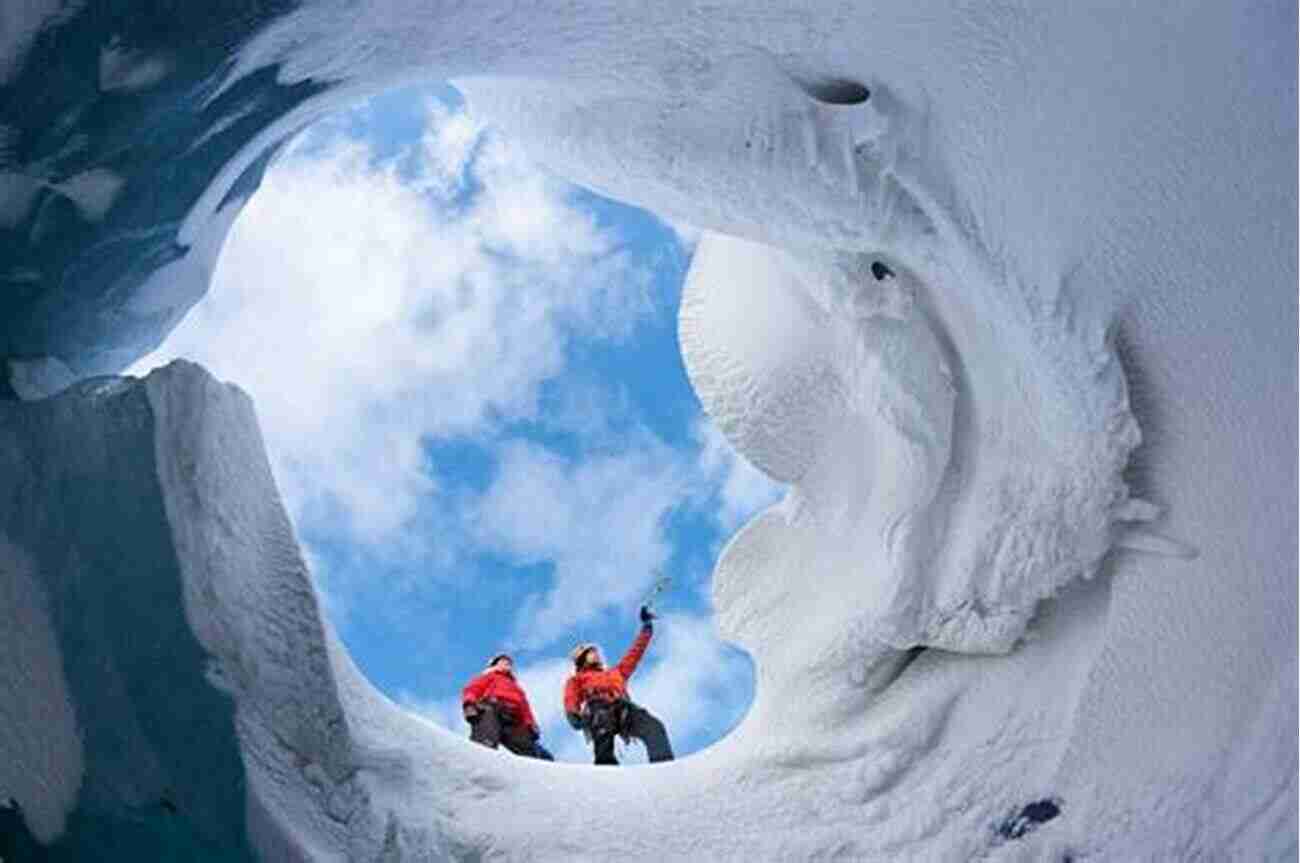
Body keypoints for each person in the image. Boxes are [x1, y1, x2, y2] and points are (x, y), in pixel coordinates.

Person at [563, 606, 674, 765]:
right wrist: (572, 712)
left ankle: (663, 766)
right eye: (591, 653)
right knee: (602, 721)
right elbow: (570, 696)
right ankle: (606, 766)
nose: (597, 655)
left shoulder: (616, 672)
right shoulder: (577, 679)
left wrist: (646, 627)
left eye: (596, 652)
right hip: (598, 709)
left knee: (654, 727)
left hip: (622, 708)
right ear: (582, 659)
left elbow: (634, 653)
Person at [461, 653, 553, 760]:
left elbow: (525, 707)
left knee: (528, 750)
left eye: (509, 663)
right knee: (487, 735)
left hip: (514, 717)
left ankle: (537, 764)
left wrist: (531, 724)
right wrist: (469, 704)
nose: (507, 663)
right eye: (503, 661)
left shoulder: (516, 687)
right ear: (495, 665)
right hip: (493, 708)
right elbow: (472, 689)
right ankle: (480, 758)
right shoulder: (490, 676)